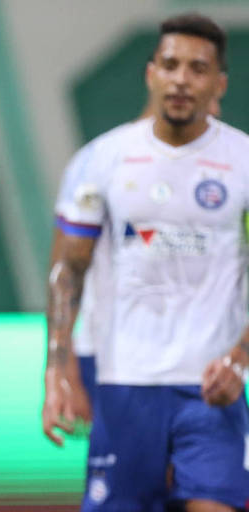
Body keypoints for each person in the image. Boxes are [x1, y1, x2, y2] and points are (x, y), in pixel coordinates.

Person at [43, 13, 249, 511]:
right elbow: (68, 269)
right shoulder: (100, 161)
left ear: (218, 83)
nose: (181, 79)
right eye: (170, 64)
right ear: (150, 73)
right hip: (125, 387)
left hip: (210, 390)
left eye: (197, 69)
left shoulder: (243, 162)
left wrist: (240, 359)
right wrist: (57, 367)